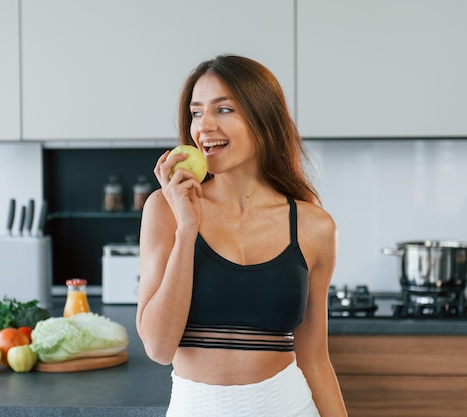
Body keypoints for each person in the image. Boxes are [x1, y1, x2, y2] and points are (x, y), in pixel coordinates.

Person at [136, 54, 348, 417]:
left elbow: (315, 360)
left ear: (263, 117)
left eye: (224, 110)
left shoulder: (313, 226)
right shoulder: (166, 209)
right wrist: (187, 230)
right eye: (197, 112)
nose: (204, 127)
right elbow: (158, 348)